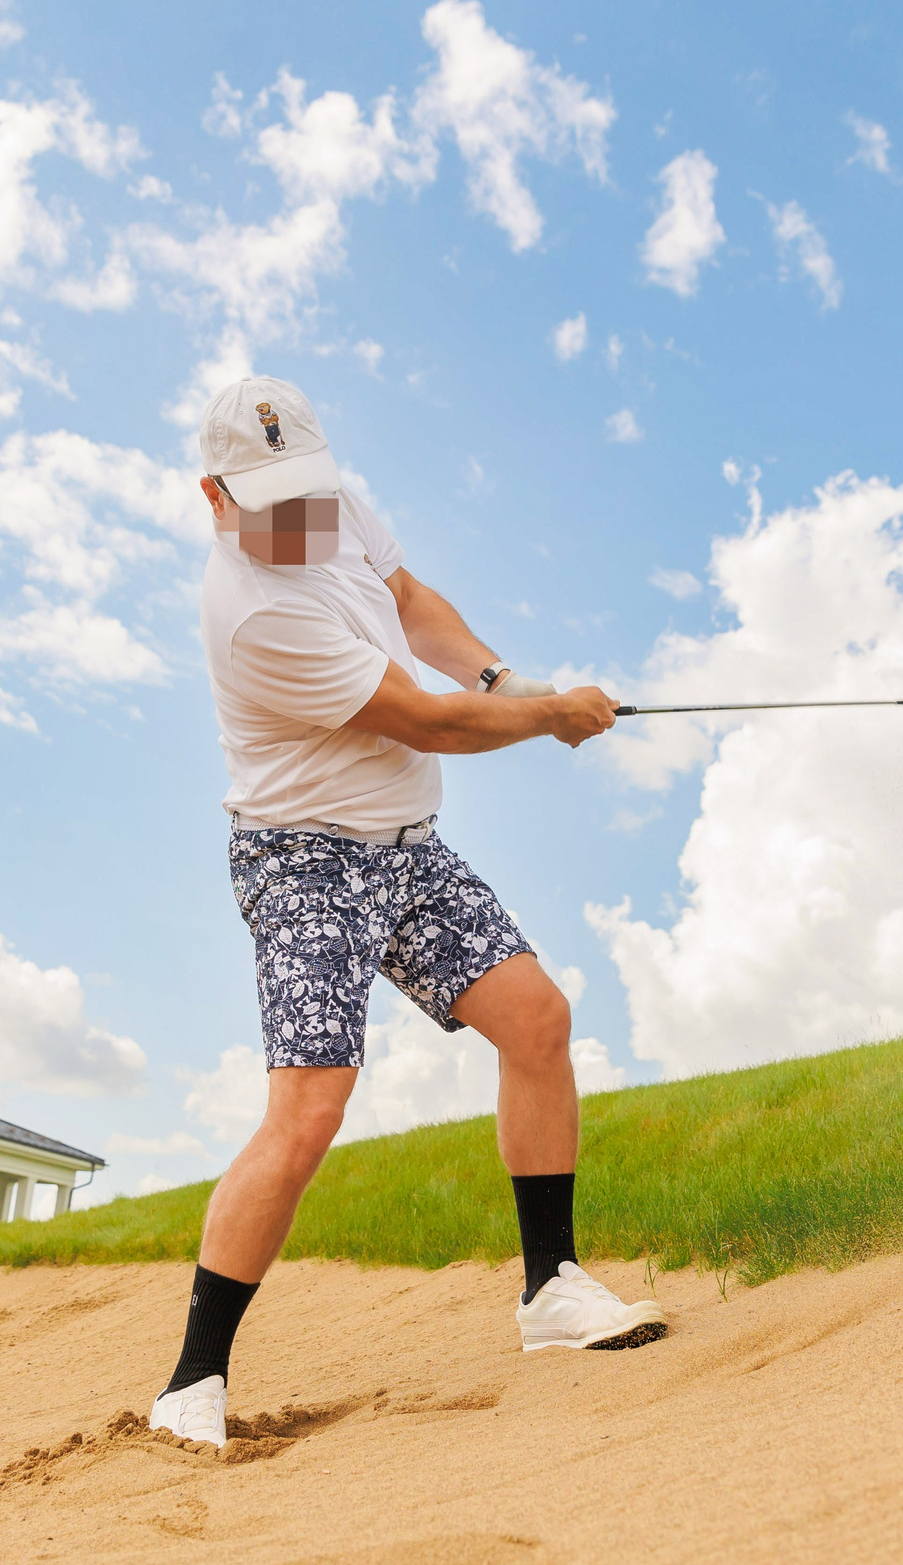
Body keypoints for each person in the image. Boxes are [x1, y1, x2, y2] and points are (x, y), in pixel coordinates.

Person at [150, 376, 666, 1449]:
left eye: (308, 490)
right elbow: (427, 724)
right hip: (303, 862)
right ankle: (192, 1380)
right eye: (268, 500)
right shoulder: (250, 613)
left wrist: (504, 672)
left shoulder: (325, 505)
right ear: (214, 495)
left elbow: (414, 600)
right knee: (310, 1109)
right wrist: (546, 716)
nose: (299, 519)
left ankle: (551, 1291)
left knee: (537, 1021)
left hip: (408, 850)